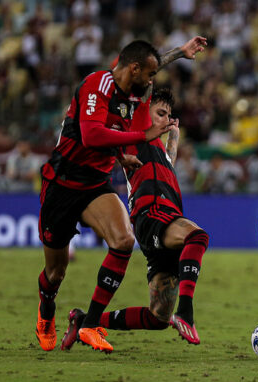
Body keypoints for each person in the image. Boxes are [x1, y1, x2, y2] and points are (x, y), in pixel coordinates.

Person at [35, 37, 207, 353]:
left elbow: (113, 131)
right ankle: (47, 309)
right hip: (62, 183)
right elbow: (90, 134)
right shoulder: (96, 85)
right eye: (150, 75)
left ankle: (89, 325)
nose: (152, 81)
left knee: (124, 241)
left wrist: (180, 53)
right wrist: (141, 136)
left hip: (95, 184)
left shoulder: (131, 95)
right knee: (55, 272)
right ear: (134, 69)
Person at [60, 88, 209, 349]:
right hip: (151, 212)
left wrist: (173, 133)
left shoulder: (158, 150)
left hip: (164, 216)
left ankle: (86, 320)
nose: (164, 119)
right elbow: (144, 88)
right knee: (197, 236)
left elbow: (169, 160)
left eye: (168, 115)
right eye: (159, 113)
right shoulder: (136, 135)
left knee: (158, 317)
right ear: (143, 113)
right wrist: (176, 52)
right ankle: (186, 312)